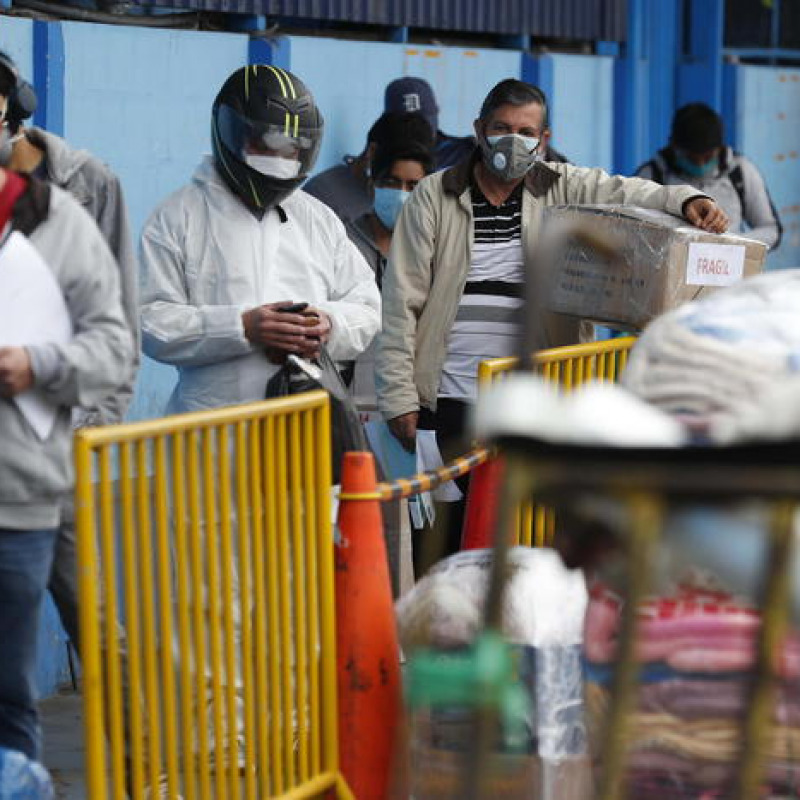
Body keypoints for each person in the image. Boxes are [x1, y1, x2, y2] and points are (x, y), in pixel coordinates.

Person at [375, 78, 728, 570]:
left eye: (525, 131)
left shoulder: (562, 186)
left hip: (531, 405)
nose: (512, 140)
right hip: (448, 401)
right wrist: (398, 397)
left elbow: (626, 188)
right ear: (479, 130)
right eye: (500, 127)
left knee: (527, 554)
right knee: (446, 557)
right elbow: (401, 303)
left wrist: (687, 200)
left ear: (543, 139)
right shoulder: (435, 196)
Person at [139, 64, 380, 762]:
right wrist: (240, 326)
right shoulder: (177, 218)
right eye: (265, 148)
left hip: (300, 436)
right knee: (208, 597)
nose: (278, 165)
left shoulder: (315, 219)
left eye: (290, 154)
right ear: (229, 133)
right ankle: (219, 746)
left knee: (296, 589)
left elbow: (367, 307)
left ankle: (291, 733)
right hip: (210, 438)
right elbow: (154, 324)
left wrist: (324, 324)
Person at [0, 50, 140, 661]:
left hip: (59, 437)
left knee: (89, 609)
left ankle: (138, 751)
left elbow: (118, 328)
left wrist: (95, 422)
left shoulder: (86, 186)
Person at [0, 166, 132, 769]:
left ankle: (140, 768)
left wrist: (40, 365)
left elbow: (114, 345)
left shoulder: (74, 195)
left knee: (86, 632)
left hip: (33, 479)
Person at [636, 102, 781, 250]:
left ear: (719, 148)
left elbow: (771, 229)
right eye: (692, 158)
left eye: (707, 157)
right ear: (674, 146)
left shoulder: (740, 172)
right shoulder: (652, 175)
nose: (700, 165)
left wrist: (734, 244)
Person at [384, 76, 570, 170]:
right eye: (501, 127)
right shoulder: (376, 158)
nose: (416, 133)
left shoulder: (465, 152)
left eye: (525, 132)